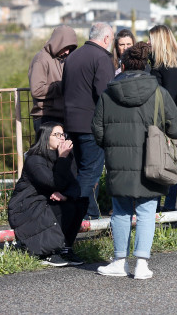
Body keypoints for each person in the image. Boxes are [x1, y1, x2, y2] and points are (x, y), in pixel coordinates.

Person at [92, 42, 177, 279]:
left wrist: (112, 147)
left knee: (121, 211)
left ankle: (119, 262)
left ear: (121, 65)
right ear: (145, 66)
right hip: (151, 160)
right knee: (146, 210)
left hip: (118, 161)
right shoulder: (159, 93)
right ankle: (142, 264)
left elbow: (98, 130)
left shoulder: (107, 94)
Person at [8, 122, 88, 267]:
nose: (62, 138)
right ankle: (48, 252)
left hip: (47, 201)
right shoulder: (35, 159)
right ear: (45, 137)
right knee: (64, 208)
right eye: (57, 135)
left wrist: (66, 195)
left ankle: (65, 248)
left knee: (78, 204)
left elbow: (75, 185)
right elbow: (52, 184)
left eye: (63, 134)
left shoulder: (65, 156)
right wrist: (63, 157)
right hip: (27, 207)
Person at [62, 22, 115, 220]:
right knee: (90, 173)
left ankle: (91, 212)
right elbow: (105, 95)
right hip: (91, 125)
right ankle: (78, 215)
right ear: (106, 38)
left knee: (81, 170)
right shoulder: (101, 58)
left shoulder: (73, 56)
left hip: (71, 123)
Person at [148, 25, 177, 212]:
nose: (148, 43)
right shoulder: (160, 62)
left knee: (166, 162)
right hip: (162, 120)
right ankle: (162, 205)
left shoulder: (168, 64)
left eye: (151, 39)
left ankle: (167, 206)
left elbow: (169, 95)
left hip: (164, 121)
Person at [28, 25, 77, 133]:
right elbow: (36, 90)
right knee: (46, 150)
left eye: (70, 48)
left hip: (62, 116)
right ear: (57, 43)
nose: (67, 52)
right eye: (65, 47)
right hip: (46, 117)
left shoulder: (64, 59)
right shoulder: (41, 59)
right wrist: (62, 85)